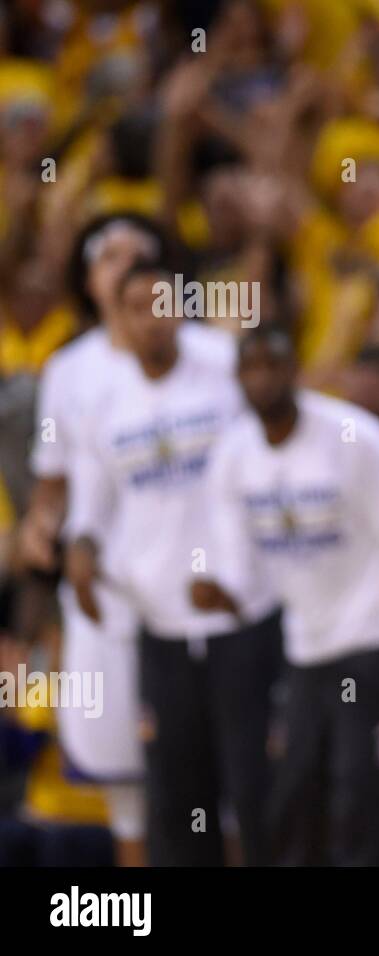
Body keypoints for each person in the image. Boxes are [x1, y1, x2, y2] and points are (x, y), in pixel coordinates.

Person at [193, 325, 379, 865]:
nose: (263, 376)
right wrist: (223, 591)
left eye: (274, 363)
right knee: (295, 801)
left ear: (296, 370)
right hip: (308, 649)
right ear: (238, 379)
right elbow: (246, 574)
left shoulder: (354, 439)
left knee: (366, 800)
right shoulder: (233, 456)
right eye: (251, 366)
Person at [62, 259, 282, 866]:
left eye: (163, 304)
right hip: (159, 622)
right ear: (122, 319)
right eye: (138, 307)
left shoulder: (226, 371)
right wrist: (80, 554)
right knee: (175, 794)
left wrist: (236, 576)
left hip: (242, 614)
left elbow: (271, 459)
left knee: (252, 786)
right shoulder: (101, 405)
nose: (152, 319)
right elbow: (89, 511)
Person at [15, 214, 174, 867]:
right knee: (121, 776)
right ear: (88, 277)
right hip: (102, 587)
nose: (122, 265)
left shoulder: (208, 356)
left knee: (204, 776)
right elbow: (52, 486)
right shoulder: (68, 371)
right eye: (108, 255)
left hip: (187, 585)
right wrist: (38, 528)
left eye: (137, 254)